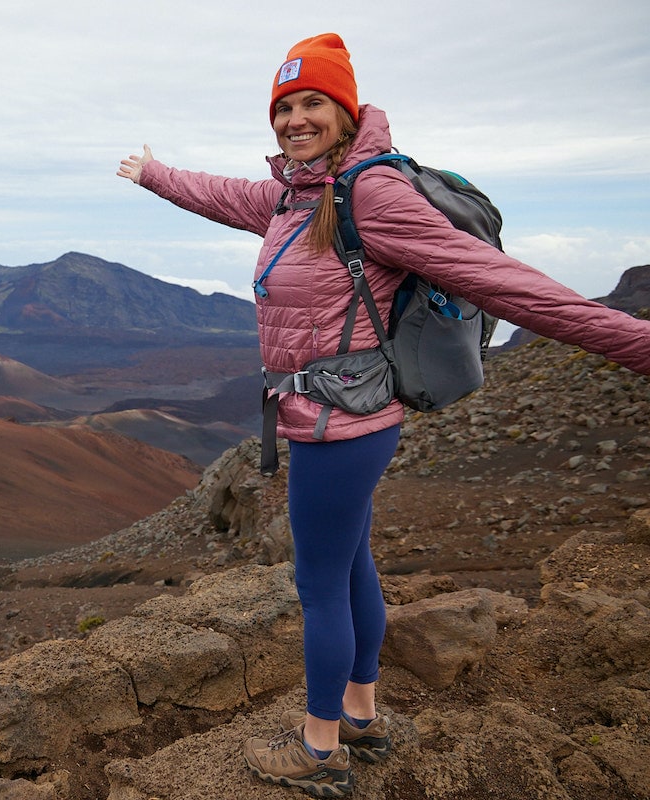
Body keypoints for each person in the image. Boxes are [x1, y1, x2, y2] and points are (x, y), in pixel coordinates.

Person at [117, 32, 650, 798]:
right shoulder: (300, 194)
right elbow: (226, 196)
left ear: (345, 109)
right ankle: (362, 717)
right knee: (351, 565)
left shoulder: (371, 195)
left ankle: (319, 747)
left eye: (313, 104)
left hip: (340, 425)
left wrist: (635, 343)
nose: (296, 119)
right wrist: (155, 174)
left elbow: (504, 284)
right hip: (341, 419)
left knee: (320, 585)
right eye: (285, 107)